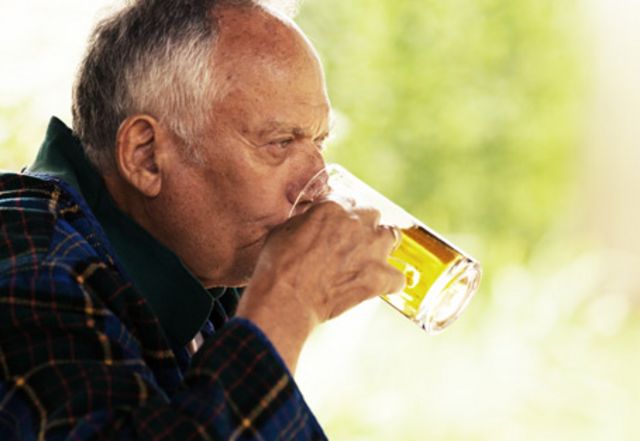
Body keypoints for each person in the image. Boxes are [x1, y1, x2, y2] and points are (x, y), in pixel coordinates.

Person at [0, 0, 405, 439]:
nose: (318, 185)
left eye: (318, 142)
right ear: (146, 157)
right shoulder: (25, 260)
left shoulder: (203, 275)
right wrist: (288, 303)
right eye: (280, 142)